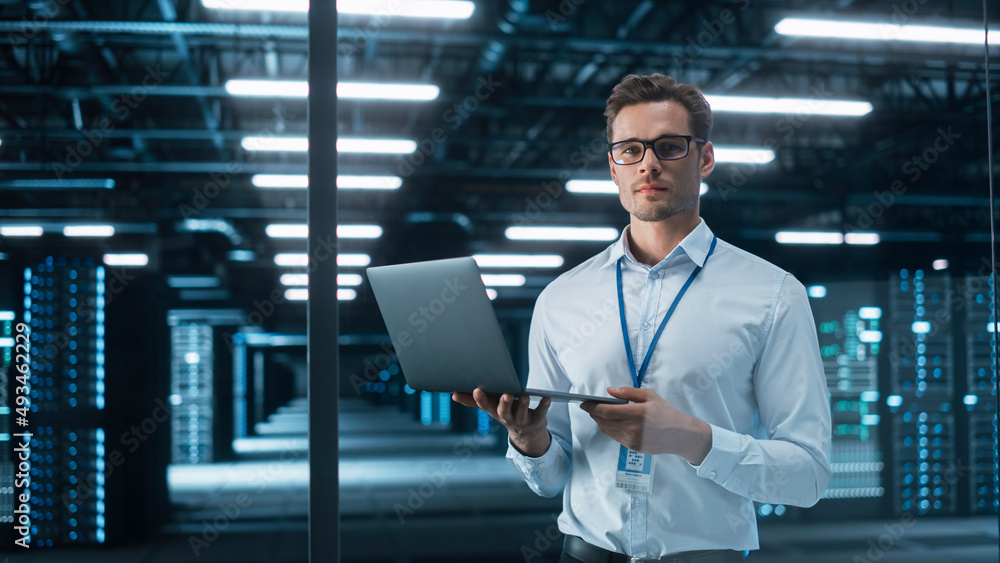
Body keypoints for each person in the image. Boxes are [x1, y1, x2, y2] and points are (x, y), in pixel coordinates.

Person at [453, 73, 831, 563]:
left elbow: (809, 475)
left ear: (706, 158)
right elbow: (551, 479)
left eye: (669, 146)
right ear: (614, 167)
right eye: (629, 149)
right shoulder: (562, 298)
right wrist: (530, 440)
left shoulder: (773, 295)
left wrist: (689, 439)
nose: (648, 163)